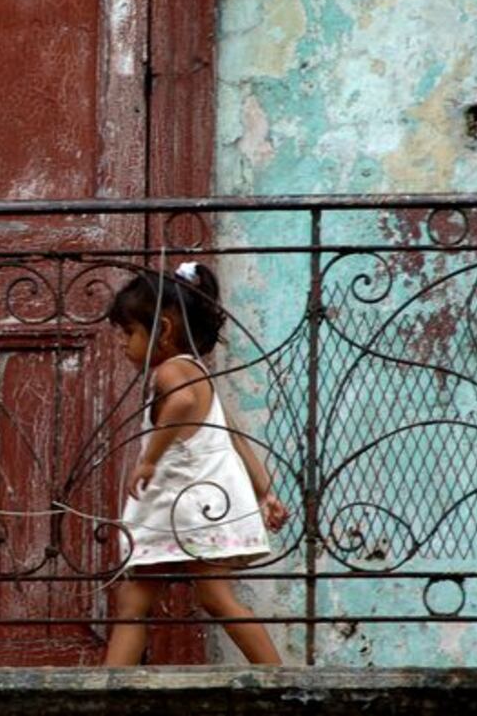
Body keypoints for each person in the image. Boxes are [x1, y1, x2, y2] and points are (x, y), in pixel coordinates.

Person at [103, 261, 290, 666]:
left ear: (164, 332)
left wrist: (149, 460)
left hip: (188, 504)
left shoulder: (171, 370)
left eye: (130, 333)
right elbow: (235, 437)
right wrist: (266, 492)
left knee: (139, 603)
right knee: (203, 598)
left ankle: (108, 689)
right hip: (200, 504)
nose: (123, 344)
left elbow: (183, 403)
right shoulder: (198, 371)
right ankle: (277, 676)